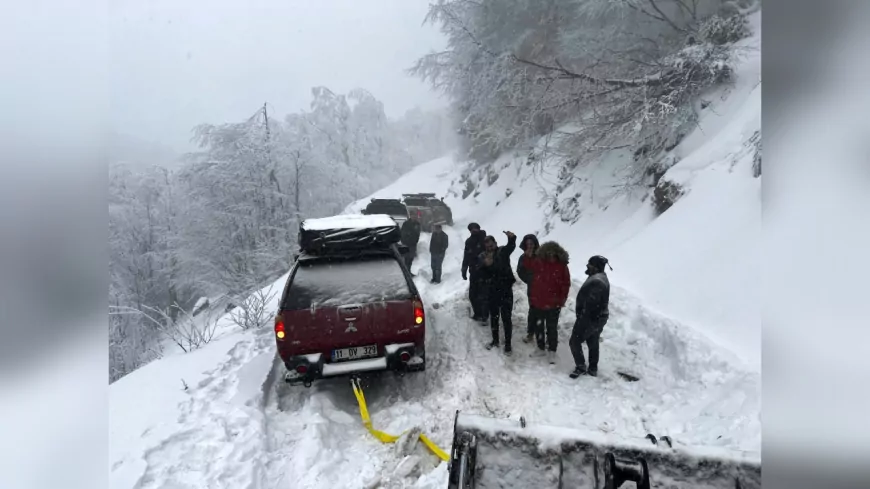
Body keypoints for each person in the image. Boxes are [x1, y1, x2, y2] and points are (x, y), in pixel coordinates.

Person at [526, 242, 570, 364]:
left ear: (557, 253)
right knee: (539, 326)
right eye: (548, 253)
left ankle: (552, 351)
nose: (550, 255)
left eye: (553, 253)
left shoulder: (562, 266)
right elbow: (528, 270)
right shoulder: (539, 262)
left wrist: (561, 299)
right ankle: (540, 348)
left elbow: (566, 284)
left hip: (554, 303)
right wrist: (528, 257)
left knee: (552, 328)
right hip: (539, 302)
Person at [569, 255, 612, 378]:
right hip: (599, 317)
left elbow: (592, 305)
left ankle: (581, 367)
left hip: (591, 318)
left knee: (574, 341)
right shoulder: (600, 277)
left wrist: (583, 319)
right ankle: (593, 368)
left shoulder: (597, 281)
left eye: (590, 264)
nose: (587, 266)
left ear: (596, 267)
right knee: (592, 340)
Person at [478, 231, 517, 355]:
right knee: (494, 318)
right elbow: (480, 275)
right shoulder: (483, 257)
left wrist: (512, 239)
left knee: (506, 318)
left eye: (491, 245)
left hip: (505, 290)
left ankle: (508, 345)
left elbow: (510, 247)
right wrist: (485, 265)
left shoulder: (502, 252)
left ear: (495, 243)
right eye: (487, 246)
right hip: (492, 291)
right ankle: (495, 341)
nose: (490, 248)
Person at [516, 234, 540, 343]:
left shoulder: (541, 256)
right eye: (528, 244)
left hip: (544, 288)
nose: (530, 246)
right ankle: (531, 333)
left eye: (531, 244)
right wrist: (530, 279)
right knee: (533, 311)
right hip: (532, 289)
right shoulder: (523, 257)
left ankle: (542, 336)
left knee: (544, 312)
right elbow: (520, 271)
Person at [461, 223, 488, 321]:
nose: (474, 230)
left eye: (475, 228)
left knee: (483, 294)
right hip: (473, 271)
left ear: (479, 229)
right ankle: (478, 313)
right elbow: (466, 256)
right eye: (472, 229)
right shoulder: (469, 241)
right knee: (473, 294)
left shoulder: (485, 240)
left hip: (485, 271)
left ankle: (484, 315)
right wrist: (464, 269)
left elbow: (492, 252)